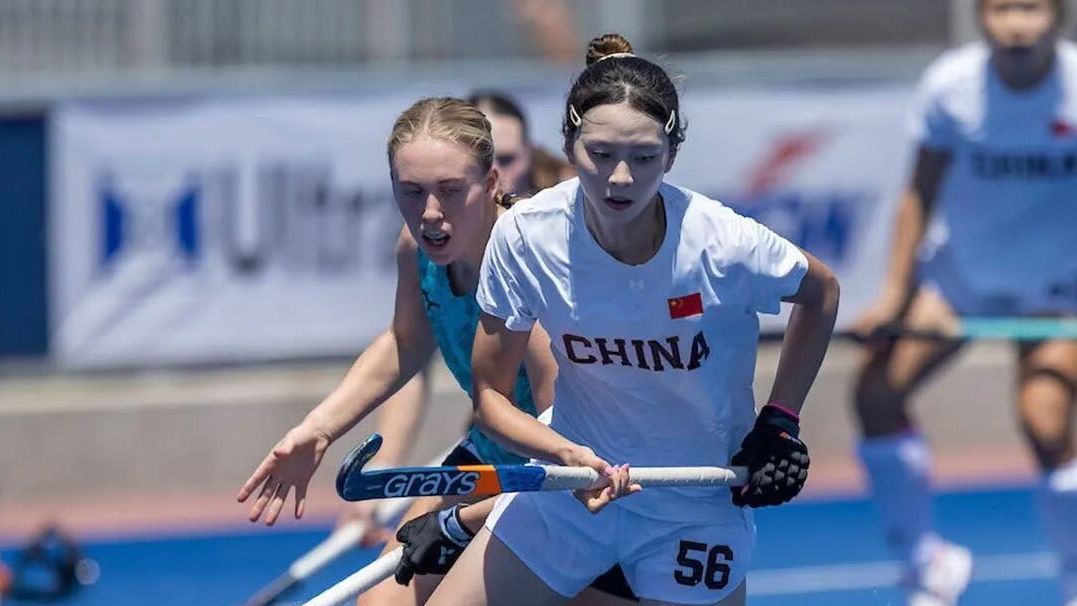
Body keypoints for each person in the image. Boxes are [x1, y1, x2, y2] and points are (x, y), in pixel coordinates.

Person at [423, 33, 840, 606]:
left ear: (672, 155)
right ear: (567, 144)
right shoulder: (525, 235)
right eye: (600, 154)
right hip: (569, 493)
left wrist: (780, 421)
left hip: (694, 504)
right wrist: (566, 457)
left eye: (643, 158)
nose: (620, 178)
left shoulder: (723, 243)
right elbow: (491, 398)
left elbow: (821, 293)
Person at [237, 97, 637, 606]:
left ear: (490, 183)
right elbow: (405, 343)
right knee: (381, 602)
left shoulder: (531, 264)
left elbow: (565, 445)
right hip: (494, 460)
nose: (429, 213)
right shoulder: (416, 250)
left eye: (450, 191)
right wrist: (318, 430)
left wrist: (460, 520)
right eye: (411, 192)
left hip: (582, 480)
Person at [851, 1, 1077, 605]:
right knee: (875, 394)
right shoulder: (950, 85)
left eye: (1032, 7)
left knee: (1046, 423)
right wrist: (895, 293)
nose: (1018, 23)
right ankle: (928, 564)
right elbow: (918, 192)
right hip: (960, 285)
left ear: (1057, 16)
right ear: (981, 15)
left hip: (1055, 295)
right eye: (1003, 7)